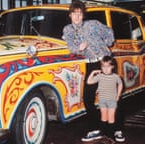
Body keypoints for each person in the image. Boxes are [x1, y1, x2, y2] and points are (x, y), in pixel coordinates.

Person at [61, 0, 123, 142]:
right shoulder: (67, 30)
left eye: (80, 13)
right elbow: (71, 47)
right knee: (88, 98)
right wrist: (79, 48)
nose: (77, 16)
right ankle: (96, 129)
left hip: (105, 61)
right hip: (90, 64)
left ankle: (118, 129)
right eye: (74, 14)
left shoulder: (93, 24)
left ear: (83, 15)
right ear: (70, 15)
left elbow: (109, 32)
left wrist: (108, 43)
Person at [87, 56, 123, 141]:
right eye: (103, 66)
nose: (106, 69)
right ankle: (104, 134)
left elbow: (120, 84)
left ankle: (111, 136)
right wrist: (93, 72)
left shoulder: (115, 76)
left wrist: (118, 95)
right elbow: (89, 82)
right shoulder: (100, 76)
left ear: (112, 66)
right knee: (103, 117)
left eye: (108, 66)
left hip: (112, 100)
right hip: (102, 100)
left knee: (111, 118)